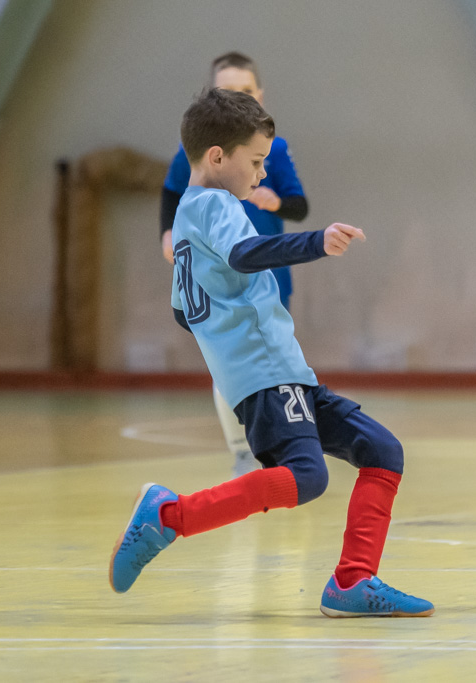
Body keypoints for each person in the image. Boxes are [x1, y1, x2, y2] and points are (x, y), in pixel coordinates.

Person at [112, 87, 433, 618]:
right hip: (266, 374)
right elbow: (244, 253)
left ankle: (353, 581)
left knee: (382, 451)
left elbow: (182, 311)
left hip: (279, 372)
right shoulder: (215, 203)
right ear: (218, 157)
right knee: (307, 476)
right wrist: (315, 242)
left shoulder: (188, 217)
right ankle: (169, 516)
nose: (262, 175)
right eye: (257, 161)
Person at [160, 52, 309, 478]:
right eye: (227, 90)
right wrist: (167, 233)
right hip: (217, 277)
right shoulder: (198, 154)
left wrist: (276, 202)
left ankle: (280, 445)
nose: (239, 96)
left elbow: (299, 206)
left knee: (277, 362)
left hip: (267, 275)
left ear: (260, 95)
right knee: (228, 364)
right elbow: (171, 193)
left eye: (246, 90)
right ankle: (243, 451)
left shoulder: (273, 150)